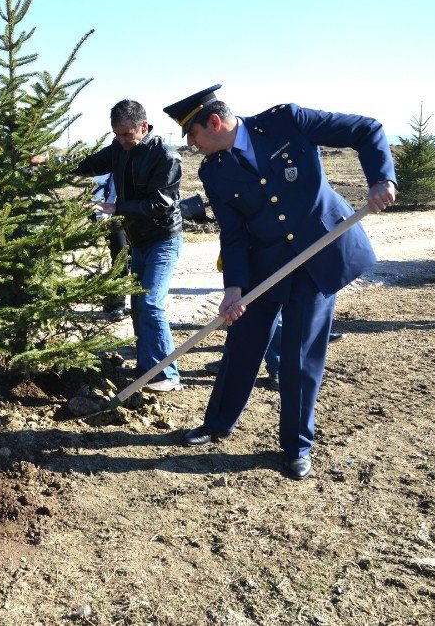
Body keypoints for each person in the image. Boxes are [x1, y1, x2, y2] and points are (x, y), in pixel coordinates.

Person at [164, 85, 397, 480]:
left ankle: (296, 446)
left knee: (299, 355)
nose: (190, 145)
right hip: (264, 264)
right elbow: (233, 233)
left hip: (317, 255)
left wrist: (381, 180)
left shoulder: (287, 122)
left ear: (214, 123)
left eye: (193, 135)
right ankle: (217, 423)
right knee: (242, 342)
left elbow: (366, 129)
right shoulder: (213, 171)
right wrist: (234, 288)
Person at [31, 99, 184, 391]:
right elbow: (87, 163)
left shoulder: (166, 156)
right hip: (138, 240)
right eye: (117, 134)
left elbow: (160, 204)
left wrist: (115, 207)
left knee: (151, 303)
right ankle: (147, 368)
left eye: (127, 134)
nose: (122, 140)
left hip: (163, 239)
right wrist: (50, 161)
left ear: (144, 125)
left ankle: (167, 375)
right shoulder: (119, 149)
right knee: (138, 306)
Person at [90, 172, 129, 322]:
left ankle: (111, 300)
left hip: (132, 216)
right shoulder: (112, 160)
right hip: (112, 218)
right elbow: (99, 185)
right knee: (121, 259)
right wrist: (100, 214)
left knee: (128, 259)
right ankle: (118, 303)